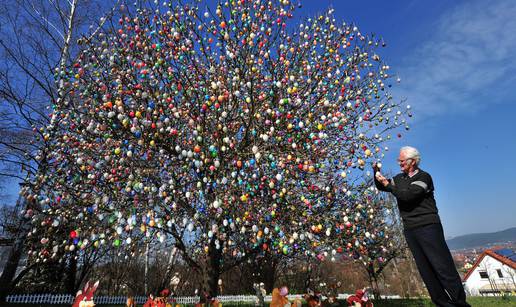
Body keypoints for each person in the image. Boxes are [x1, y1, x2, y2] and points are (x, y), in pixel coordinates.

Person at [373, 146, 470, 307]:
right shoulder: (398, 179)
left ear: (413, 161)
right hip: (410, 229)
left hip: (428, 227)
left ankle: (460, 303)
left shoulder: (424, 177)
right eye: (399, 160)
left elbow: (408, 196)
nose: (399, 163)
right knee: (426, 271)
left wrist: (389, 185)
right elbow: (382, 186)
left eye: (402, 160)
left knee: (442, 267)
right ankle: (443, 304)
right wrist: (376, 172)